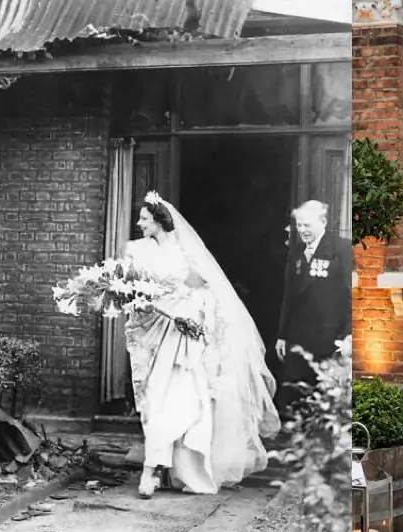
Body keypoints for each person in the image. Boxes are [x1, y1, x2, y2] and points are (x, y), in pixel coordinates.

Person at [123, 195, 281, 499]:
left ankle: (160, 472)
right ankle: (158, 470)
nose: (139, 223)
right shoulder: (140, 251)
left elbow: (207, 293)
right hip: (154, 333)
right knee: (156, 403)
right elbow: (134, 291)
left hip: (183, 340)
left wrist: (195, 322)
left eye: (144, 219)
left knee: (182, 404)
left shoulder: (185, 253)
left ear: (160, 221)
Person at [275, 200, 352, 416]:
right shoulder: (297, 252)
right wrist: (282, 335)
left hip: (328, 337)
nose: (302, 230)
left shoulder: (341, 249)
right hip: (299, 337)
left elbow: (350, 294)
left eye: (307, 225)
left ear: (323, 222)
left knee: (323, 397)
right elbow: (289, 296)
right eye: (299, 225)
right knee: (295, 395)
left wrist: (348, 334)